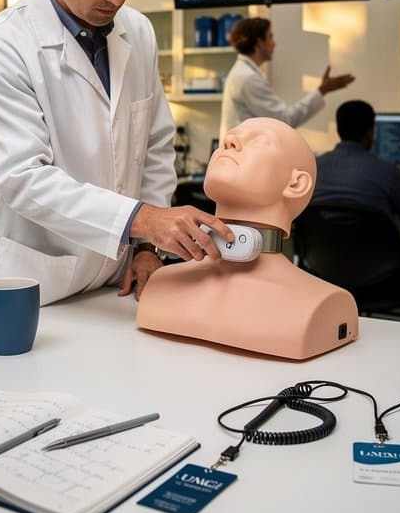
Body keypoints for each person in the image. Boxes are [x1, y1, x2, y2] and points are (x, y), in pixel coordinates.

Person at [0, 0, 233, 305]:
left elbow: (157, 146)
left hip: (117, 278)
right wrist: (144, 221)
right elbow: (24, 178)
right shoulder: (1, 46)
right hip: (35, 283)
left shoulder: (138, 32)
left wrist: (148, 248)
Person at [136, 117, 358, 360]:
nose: (228, 141)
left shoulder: (325, 305)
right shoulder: (161, 284)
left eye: (261, 141)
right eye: (228, 138)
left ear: (295, 184)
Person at [218, 17, 355, 138]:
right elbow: (284, 121)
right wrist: (322, 91)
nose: (274, 43)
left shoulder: (244, 73)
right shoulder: (248, 78)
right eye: (270, 37)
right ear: (259, 42)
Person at [314, 100, 400, 227]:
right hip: (373, 246)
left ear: (338, 129)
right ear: (370, 131)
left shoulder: (314, 167)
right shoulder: (389, 170)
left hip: (319, 246)